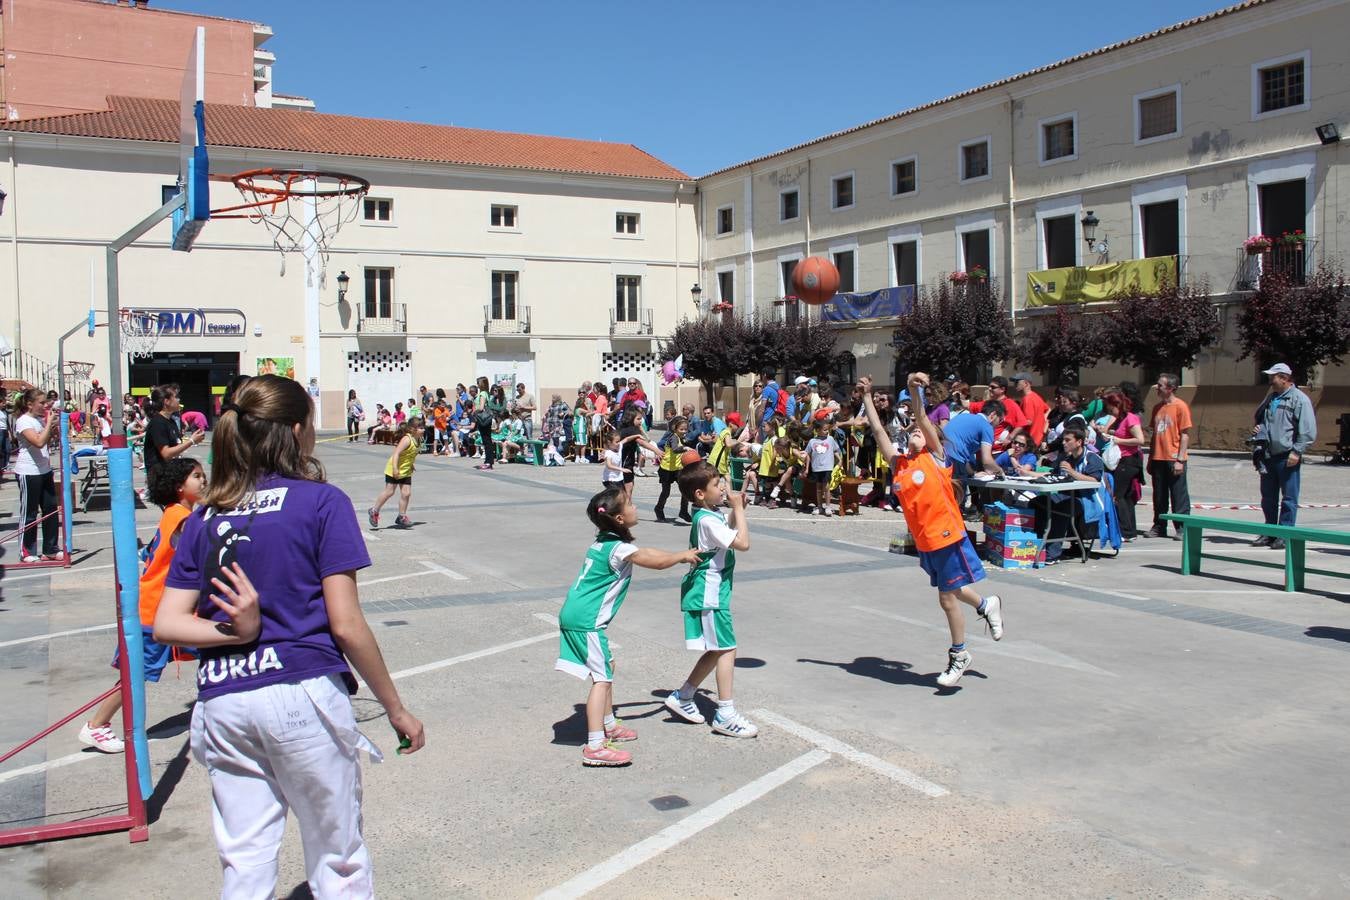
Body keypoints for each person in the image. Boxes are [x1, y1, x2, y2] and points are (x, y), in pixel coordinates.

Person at [153, 374, 425, 898]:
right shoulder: (320, 502)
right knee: (337, 853)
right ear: (298, 430)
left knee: (245, 855)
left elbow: (167, 623)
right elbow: (346, 625)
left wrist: (232, 630)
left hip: (223, 698)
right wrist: (394, 706)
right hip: (300, 691)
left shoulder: (204, 516)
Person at [859, 373, 1004, 688]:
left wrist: (914, 389)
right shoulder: (900, 465)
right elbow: (878, 430)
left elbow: (922, 416)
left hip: (947, 535)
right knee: (952, 591)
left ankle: (959, 654)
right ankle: (985, 604)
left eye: (920, 432)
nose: (914, 432)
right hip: (925, 543)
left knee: (947, 598)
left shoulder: (937, 459)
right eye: (911, 431)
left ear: (931, 438)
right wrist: (867, 397)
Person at [556, 487, 700, 767]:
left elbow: (644, 551)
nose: (635, 507)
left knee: (608, 664)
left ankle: (609, 724)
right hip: (586, 621)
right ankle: (595, 746)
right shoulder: (618, 548)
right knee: (601, 678)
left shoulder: (603, 543)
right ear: (619, 518)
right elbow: (652, 560)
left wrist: (678, 553)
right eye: (630, 504)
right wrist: (681, 556)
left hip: (577, 615)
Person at [78, 457, 206, 753]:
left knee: (213, 652)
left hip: (174, 608)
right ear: (178, 488)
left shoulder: (178, 513)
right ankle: (96, 725)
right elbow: (200, 552)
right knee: (136, 673)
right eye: (196, 476)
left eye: (203, 476)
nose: (203, 481)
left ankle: (214, 707)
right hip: (156, 611)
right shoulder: (182, 518)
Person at [664, 461, 758, 737]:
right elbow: (743, 543)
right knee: (727, 648)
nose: (723, 489)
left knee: (718, 649)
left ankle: (683, 695)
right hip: (709, 592)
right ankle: (725, 714)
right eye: (717, 485)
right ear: (699, 494)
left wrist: (736, 512)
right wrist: (739, 510)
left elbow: (727, 535)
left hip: (713, 591)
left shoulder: (711, 515)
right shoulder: (704, 519)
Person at [1251, 363, 1316, 548]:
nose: (1270, 380)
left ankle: (1285, 533)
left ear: (1285, 378)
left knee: (1289, 498)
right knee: (1268, 497)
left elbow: (1308, 430)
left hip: (1288, 455)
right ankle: (1270, 532)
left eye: (1273, 377)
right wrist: (1259, 428)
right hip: (1268, 455)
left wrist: (1297, 452)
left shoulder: (1299, 399)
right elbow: (1262, 420)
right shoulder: (1271, 398)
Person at [1041, 426, 1104, 566]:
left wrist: (1072, 472)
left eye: (1068, 440)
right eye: (1063, 440)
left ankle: (1053, 554)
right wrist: (1028, 474)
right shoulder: (1066, 457)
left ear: (1079, 442)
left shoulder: (1092, 458)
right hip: (1066, 496)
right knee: (1038, 502)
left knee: (1061, 509)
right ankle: (1034, 545)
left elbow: (1095, 481)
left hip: (1087, 501)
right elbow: (1053, 475)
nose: (1063, 443)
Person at [13, 388, 60, 562]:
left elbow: (49, 440)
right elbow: (39, 442)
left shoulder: (39, 420)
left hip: (44, 470)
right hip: (28, 471)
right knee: (30, 512)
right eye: (41, 403)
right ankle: (27, 550)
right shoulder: (23, 421)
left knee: (50, 509)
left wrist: (52, 427)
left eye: (45, 402)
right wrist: (48, 424)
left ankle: (50, 548)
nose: (44, 406)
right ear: (29, 404)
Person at [1144, 373, 1191, 539]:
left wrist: (1180, 459)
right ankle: (1159, 525)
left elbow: (1185, 434)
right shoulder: (1157, 407)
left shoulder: (1181, 406)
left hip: (1174, 458)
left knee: (1179, 495)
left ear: (1170, 388)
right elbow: (1155, 435)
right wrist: (1150, 458)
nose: (1157, 388)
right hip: (1158, 458)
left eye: (1160, 385)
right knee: (1159, 495)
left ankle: (1182, 527)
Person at [1094, 390, 1146, 540]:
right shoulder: (1118, 418)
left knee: (1118, 496)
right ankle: (1130, 531)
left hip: (1129, 461)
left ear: (1117, 404)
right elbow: (1109, 430)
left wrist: (1119, 440)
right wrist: (1105, 432)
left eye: (1111, 407)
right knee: (1127, 496)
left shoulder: (1131, 418)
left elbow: (1140, 440)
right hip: (1120, 460)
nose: (1109, 411)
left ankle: (1126, 532)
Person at [941, 398, 1006, 512]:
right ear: (993, 415)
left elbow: (960, 451)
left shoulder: (963, 417)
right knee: (956, 506)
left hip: (940, 458)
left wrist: (973, 473)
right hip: (954, 464)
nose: (998, 425)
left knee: (943, 502)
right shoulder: (987, 426)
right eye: (1000, 421)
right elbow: (987, 460)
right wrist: (1000, 472)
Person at [368, 418, 423, 529]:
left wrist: (411, 464)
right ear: (413, 429)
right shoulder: (407, 439)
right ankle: (374, 511)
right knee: (389, 492)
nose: (423, 430)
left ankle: (401, 516)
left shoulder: (419, 439)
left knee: (406, 493)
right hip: (394, 468)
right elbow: (396, 453)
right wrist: (394, 468)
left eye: (423, 427)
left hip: (406, 470)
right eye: (421, 428)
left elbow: (411, 453)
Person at [144, 384, 204, 475]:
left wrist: (194, 439)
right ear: (167, 401)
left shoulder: (171, 421)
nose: (179, 400)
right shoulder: (158, 423)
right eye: (176, 397)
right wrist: (191, 441)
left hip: (170, 472)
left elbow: (175, 447)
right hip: (159, 476)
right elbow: (166, 453)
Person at [654, 416, 690, 523]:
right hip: (667, 468)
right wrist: (685, 448)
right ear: (675, 429)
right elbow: (674, 450)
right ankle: (659, 509)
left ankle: (683, 511)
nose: (684, 431)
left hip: (677, 468)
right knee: (666, 492)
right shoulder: (673, 437)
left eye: (685, 429)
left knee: (685, 490)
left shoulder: (681, 437)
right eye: (681, 429)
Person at [804, 419, 840, 517]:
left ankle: (828, 506)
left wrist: (839, 460)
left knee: (827, 487)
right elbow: (807, 454)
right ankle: (819, 506)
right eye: (824, 430)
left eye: (827, 429)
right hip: (816, 467)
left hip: (827, 467)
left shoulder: (830, 439)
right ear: (818, 430)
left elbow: (836, 450)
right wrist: (807, 468)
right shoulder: (812, 441)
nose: (827, 431)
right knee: (818, 488)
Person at [1011, 372, 1049, 449]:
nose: (1014, 385)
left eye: (1017, 382)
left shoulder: (1027, 399)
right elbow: (1048, 409)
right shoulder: (1036, 396)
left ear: (1025, 383)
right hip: (1037, 440)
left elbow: (1028, 421)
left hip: (1029, 442)